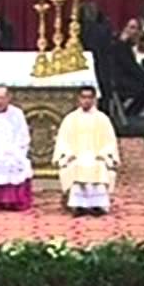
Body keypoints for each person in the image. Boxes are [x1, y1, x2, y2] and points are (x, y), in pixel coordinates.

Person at [55, 85, 119, 216]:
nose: (86, 101)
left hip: (96, 155)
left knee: (98, 166)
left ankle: (97, 205)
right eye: (83, 97)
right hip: (76, 156)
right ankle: (78, 205)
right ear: (78, 99)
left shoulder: (102, 119)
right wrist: (68, 155)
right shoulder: (70, 119)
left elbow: (109, 141)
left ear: (94, 99)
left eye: (89, 97)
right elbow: (63, 141)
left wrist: (104, 155)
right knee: (77, 166)